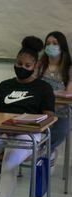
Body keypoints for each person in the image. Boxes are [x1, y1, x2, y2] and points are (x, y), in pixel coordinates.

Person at [0, 36, 55, 197]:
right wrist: (2, 127)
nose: (21, 68)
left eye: (27, 66)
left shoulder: (44, 88)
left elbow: (49, 118)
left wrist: (25, 125)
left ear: (36, 66)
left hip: (28, 135)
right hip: (3, 132)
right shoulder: (4, 85)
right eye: (18, 63)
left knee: (9, 163)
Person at [37, 31, 72, 165]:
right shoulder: (40, 65)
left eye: (55, 43)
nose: (51, 46)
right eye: (48, 43)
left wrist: (48, 93)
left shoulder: (69, 67)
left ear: (62, 45)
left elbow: (69, 93)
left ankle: (47, 151)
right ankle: (42, 153)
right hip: (41, 110)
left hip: (63, 111)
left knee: (62, 129)